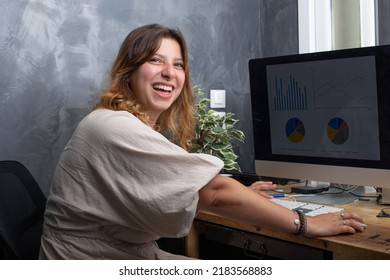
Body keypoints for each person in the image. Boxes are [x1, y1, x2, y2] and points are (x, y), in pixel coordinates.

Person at [39, 23, 366, 260]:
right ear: (129, 72)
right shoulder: (112, 126)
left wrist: (241, 195)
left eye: (178, 64)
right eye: (156, 60)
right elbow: (213, 193)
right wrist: (306, 224)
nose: (170, 73)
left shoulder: (120, 124)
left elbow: (180, 190)